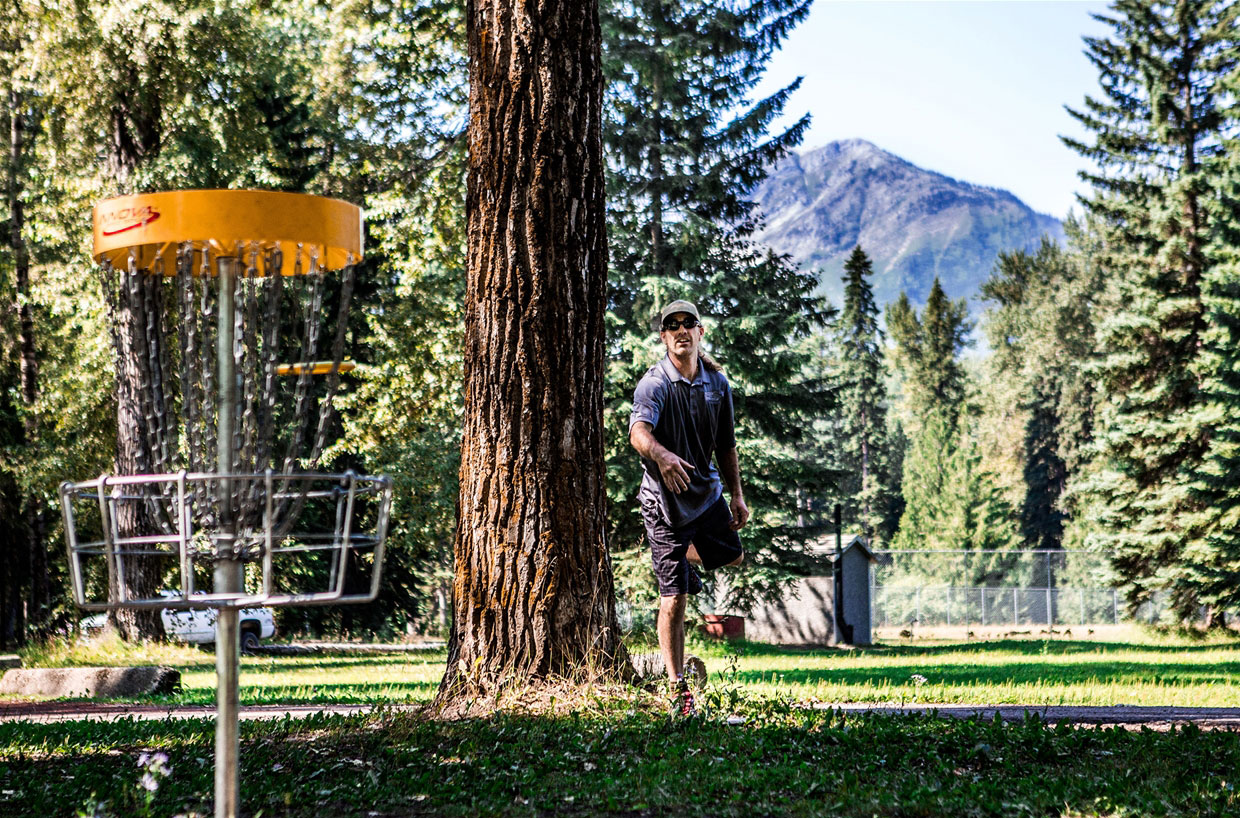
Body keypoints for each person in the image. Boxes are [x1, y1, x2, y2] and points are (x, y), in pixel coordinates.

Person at [629, 299, 749, 716]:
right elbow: (638, 432)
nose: (681, 330)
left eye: (688, 323)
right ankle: (678, 688)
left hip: (706, 495)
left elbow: (727, 445)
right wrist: (662, 457)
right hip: (664, 504)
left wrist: (736, 495)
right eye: (672, 325)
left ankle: (678, 557)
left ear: (700, 332)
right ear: (664, 337)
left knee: (734, 555)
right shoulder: (655, 383)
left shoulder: (717, 383)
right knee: (674, 598)